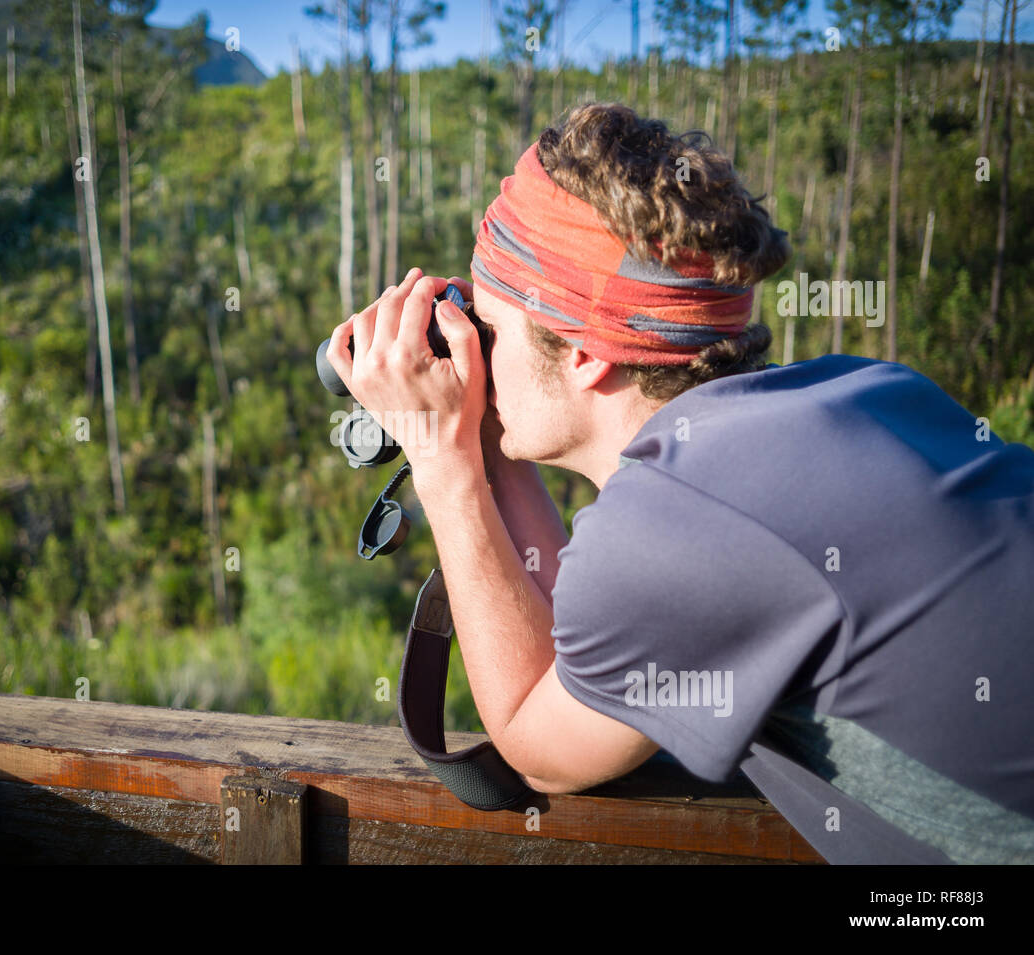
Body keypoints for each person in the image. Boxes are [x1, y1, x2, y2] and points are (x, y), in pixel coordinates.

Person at [324, 102, 1034, 864]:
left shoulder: (674, 529)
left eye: (486, 330)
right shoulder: (868, 389)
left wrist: (442, 460)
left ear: (589, 353)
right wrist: (482, 440)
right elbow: (604, 649)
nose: (474, 356)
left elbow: (537, 744)